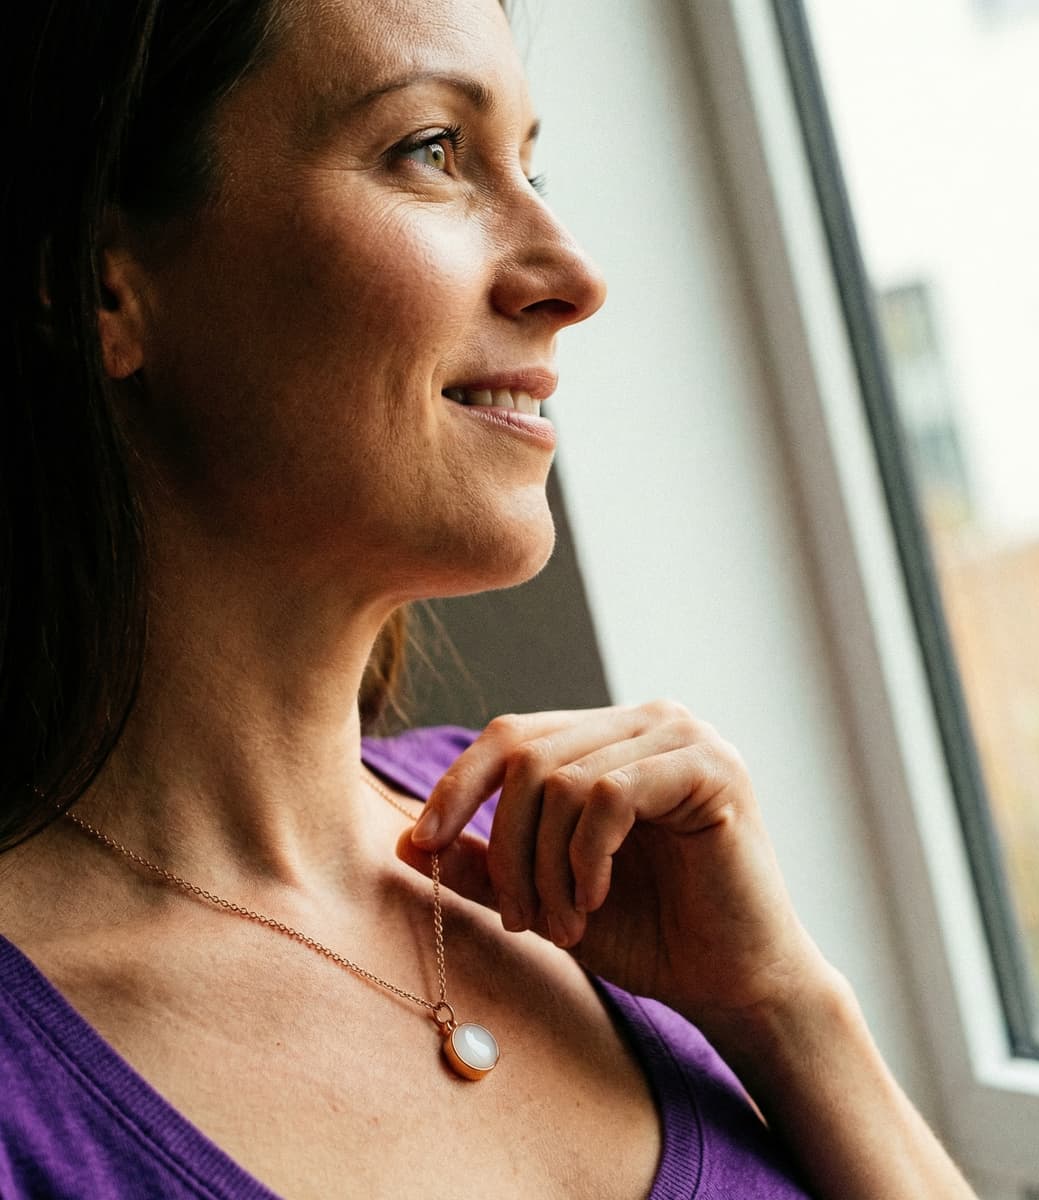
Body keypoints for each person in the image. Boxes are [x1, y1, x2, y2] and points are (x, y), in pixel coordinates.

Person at [0, 0, 979, 1196]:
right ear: (104, 286)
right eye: (432, 152)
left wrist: (786, 1006)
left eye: (533, 161)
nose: (573, 276)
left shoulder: (591, 863)